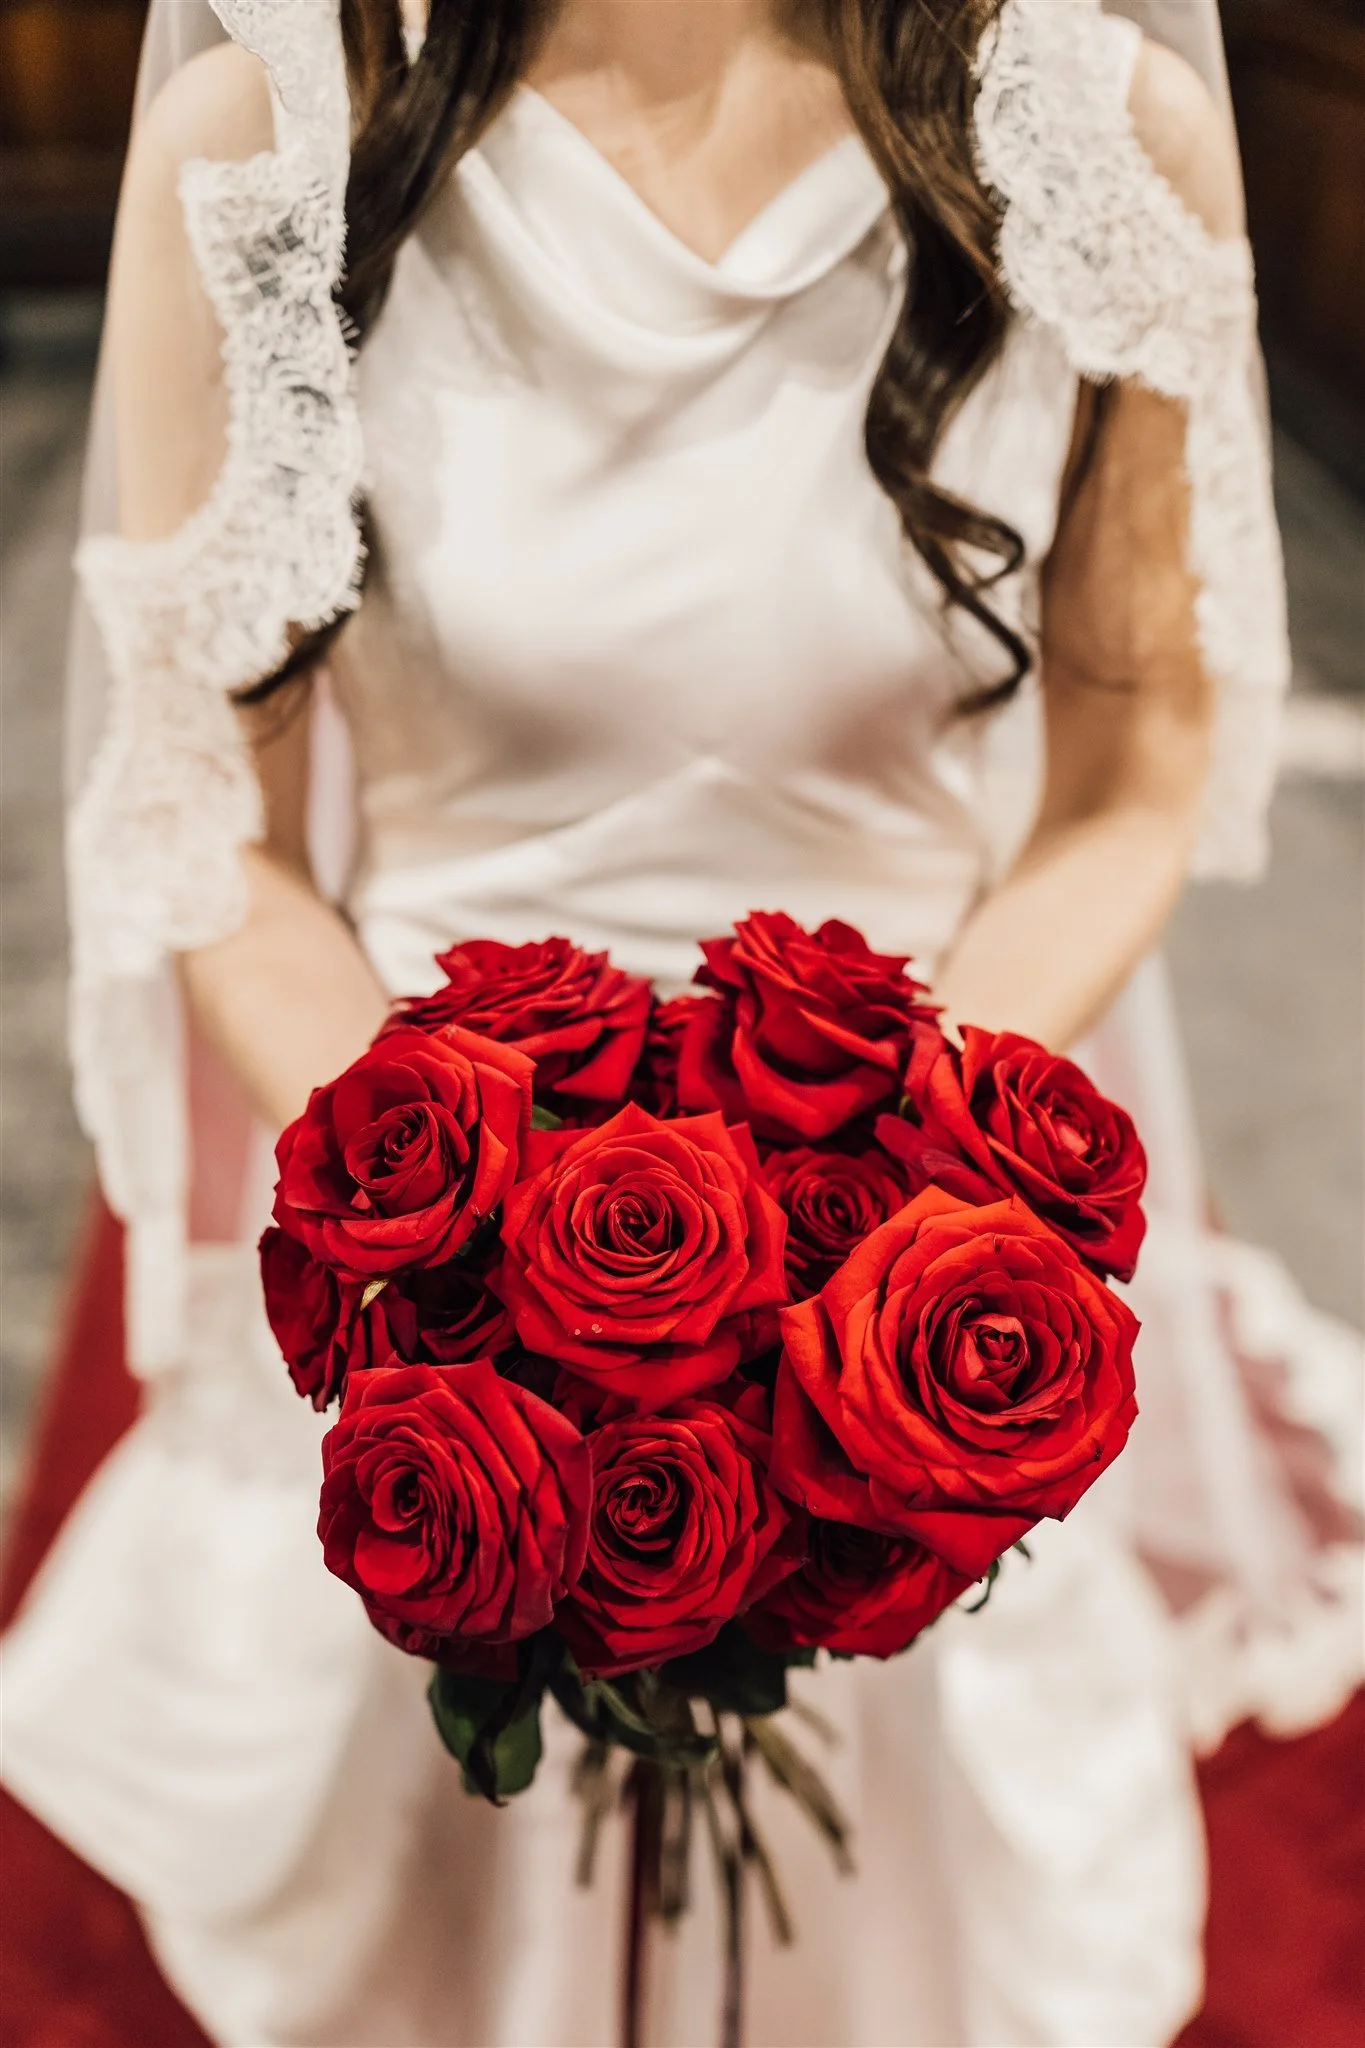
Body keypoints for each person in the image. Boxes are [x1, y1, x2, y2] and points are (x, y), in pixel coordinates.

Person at [3, 2, 1360, 2043]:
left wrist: (873, 1210)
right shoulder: (272, 147)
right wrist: (492, 1264)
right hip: (444, 1209)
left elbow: (1128, 773)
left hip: (900, 1172)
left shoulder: (1101, 140)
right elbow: (220, 829)